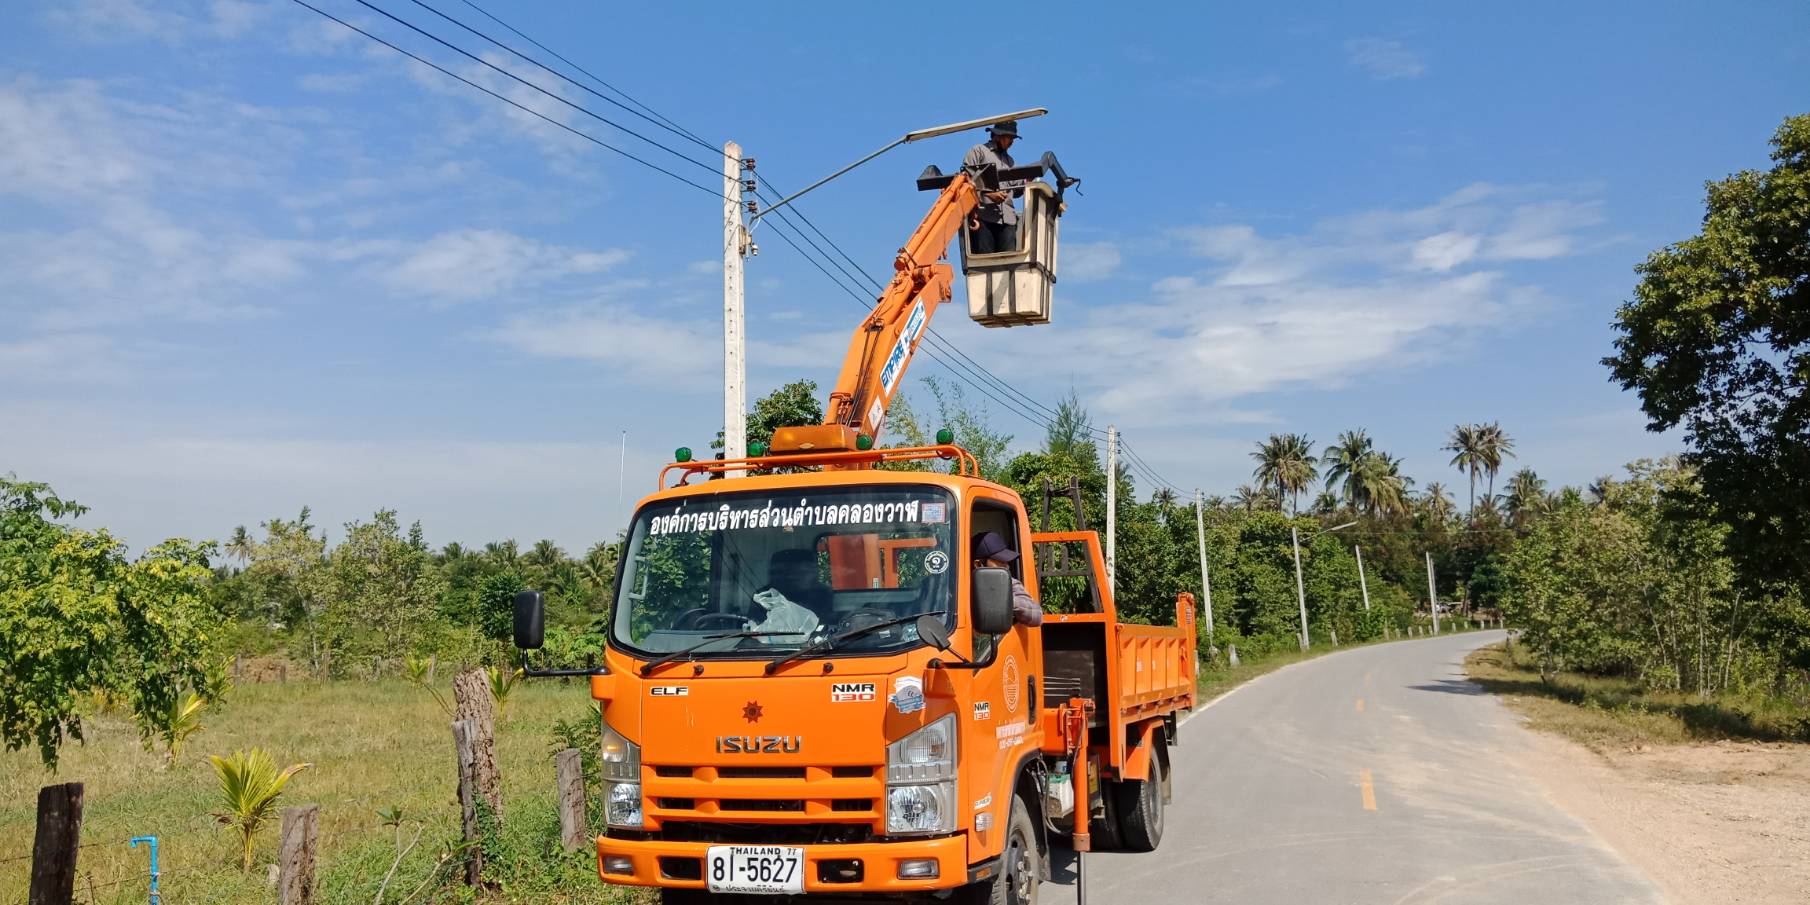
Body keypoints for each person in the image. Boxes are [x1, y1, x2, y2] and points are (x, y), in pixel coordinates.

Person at [961, 120, 1022, 255]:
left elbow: (1017, 191)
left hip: (1007, 221)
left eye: (1013, 138)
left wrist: (1027, 180)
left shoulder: (1010, 161)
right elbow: (964, 184)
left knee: (1007, 265)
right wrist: (988, 195)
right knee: (985, 265)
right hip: (983, 217)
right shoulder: (978, 152)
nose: (1012, 141)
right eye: (1009, 137)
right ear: (998, 135)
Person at [971, 531, 1043, 627]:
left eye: (1006, 562)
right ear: (978, 564)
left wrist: (1004, 600)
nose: (1007, 566)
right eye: (1001, 561)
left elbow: (1036, 616)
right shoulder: (961, 586)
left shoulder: (1009, 583)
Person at [765, 549, 832, 620]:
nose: (791, 576)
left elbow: (835, 623)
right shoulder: (764, 596)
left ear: (814, 572)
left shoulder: (826, 594)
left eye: (800, 572)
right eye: (782, 572)